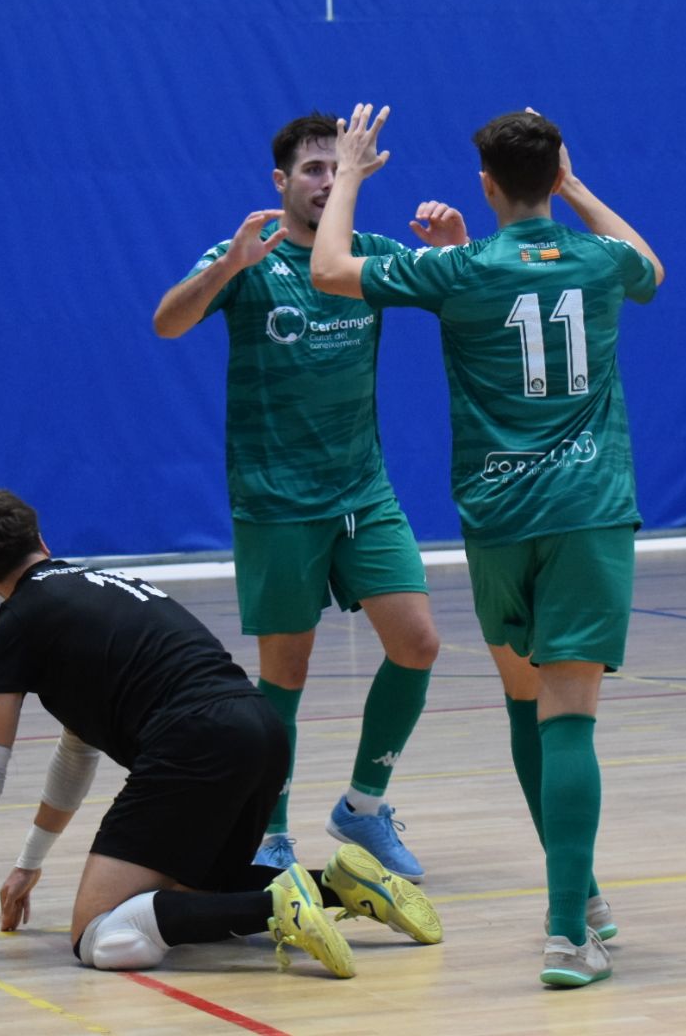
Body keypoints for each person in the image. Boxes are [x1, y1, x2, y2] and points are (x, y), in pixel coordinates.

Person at [310, 105, 664, 988]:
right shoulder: (598, 259)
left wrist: (349, 172)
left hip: (500, 520)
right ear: (555, 175)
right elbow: (650, 265)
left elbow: (329, 270)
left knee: (524, 700)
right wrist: (575, 187)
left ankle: (580, 898)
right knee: (569, 714)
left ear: (486, 185)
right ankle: (566, 932)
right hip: (587, 510)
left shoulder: (461, 269)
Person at [0, 489, 442, 973]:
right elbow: (77, 753)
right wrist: (28, 864)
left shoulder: (19, 618)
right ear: (42, 541)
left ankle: (278, 907)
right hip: (262, 733)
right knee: (194, 891)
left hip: (195, 744)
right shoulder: (103, 584)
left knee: (97, 935)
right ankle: (335, 885)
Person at [152, 113, 461, 881]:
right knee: (285, 675)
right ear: (281, 181)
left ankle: (362, 807)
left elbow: (461, 292)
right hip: (277, 499)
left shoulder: (370, 256)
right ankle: (271, 831)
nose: (326, 181)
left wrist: (454, 248)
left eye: (336, 167)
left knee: (418, 643)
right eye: (313, 169)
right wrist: (226, 268)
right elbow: (168, 323)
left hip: (365, 492)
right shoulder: (250, 255)